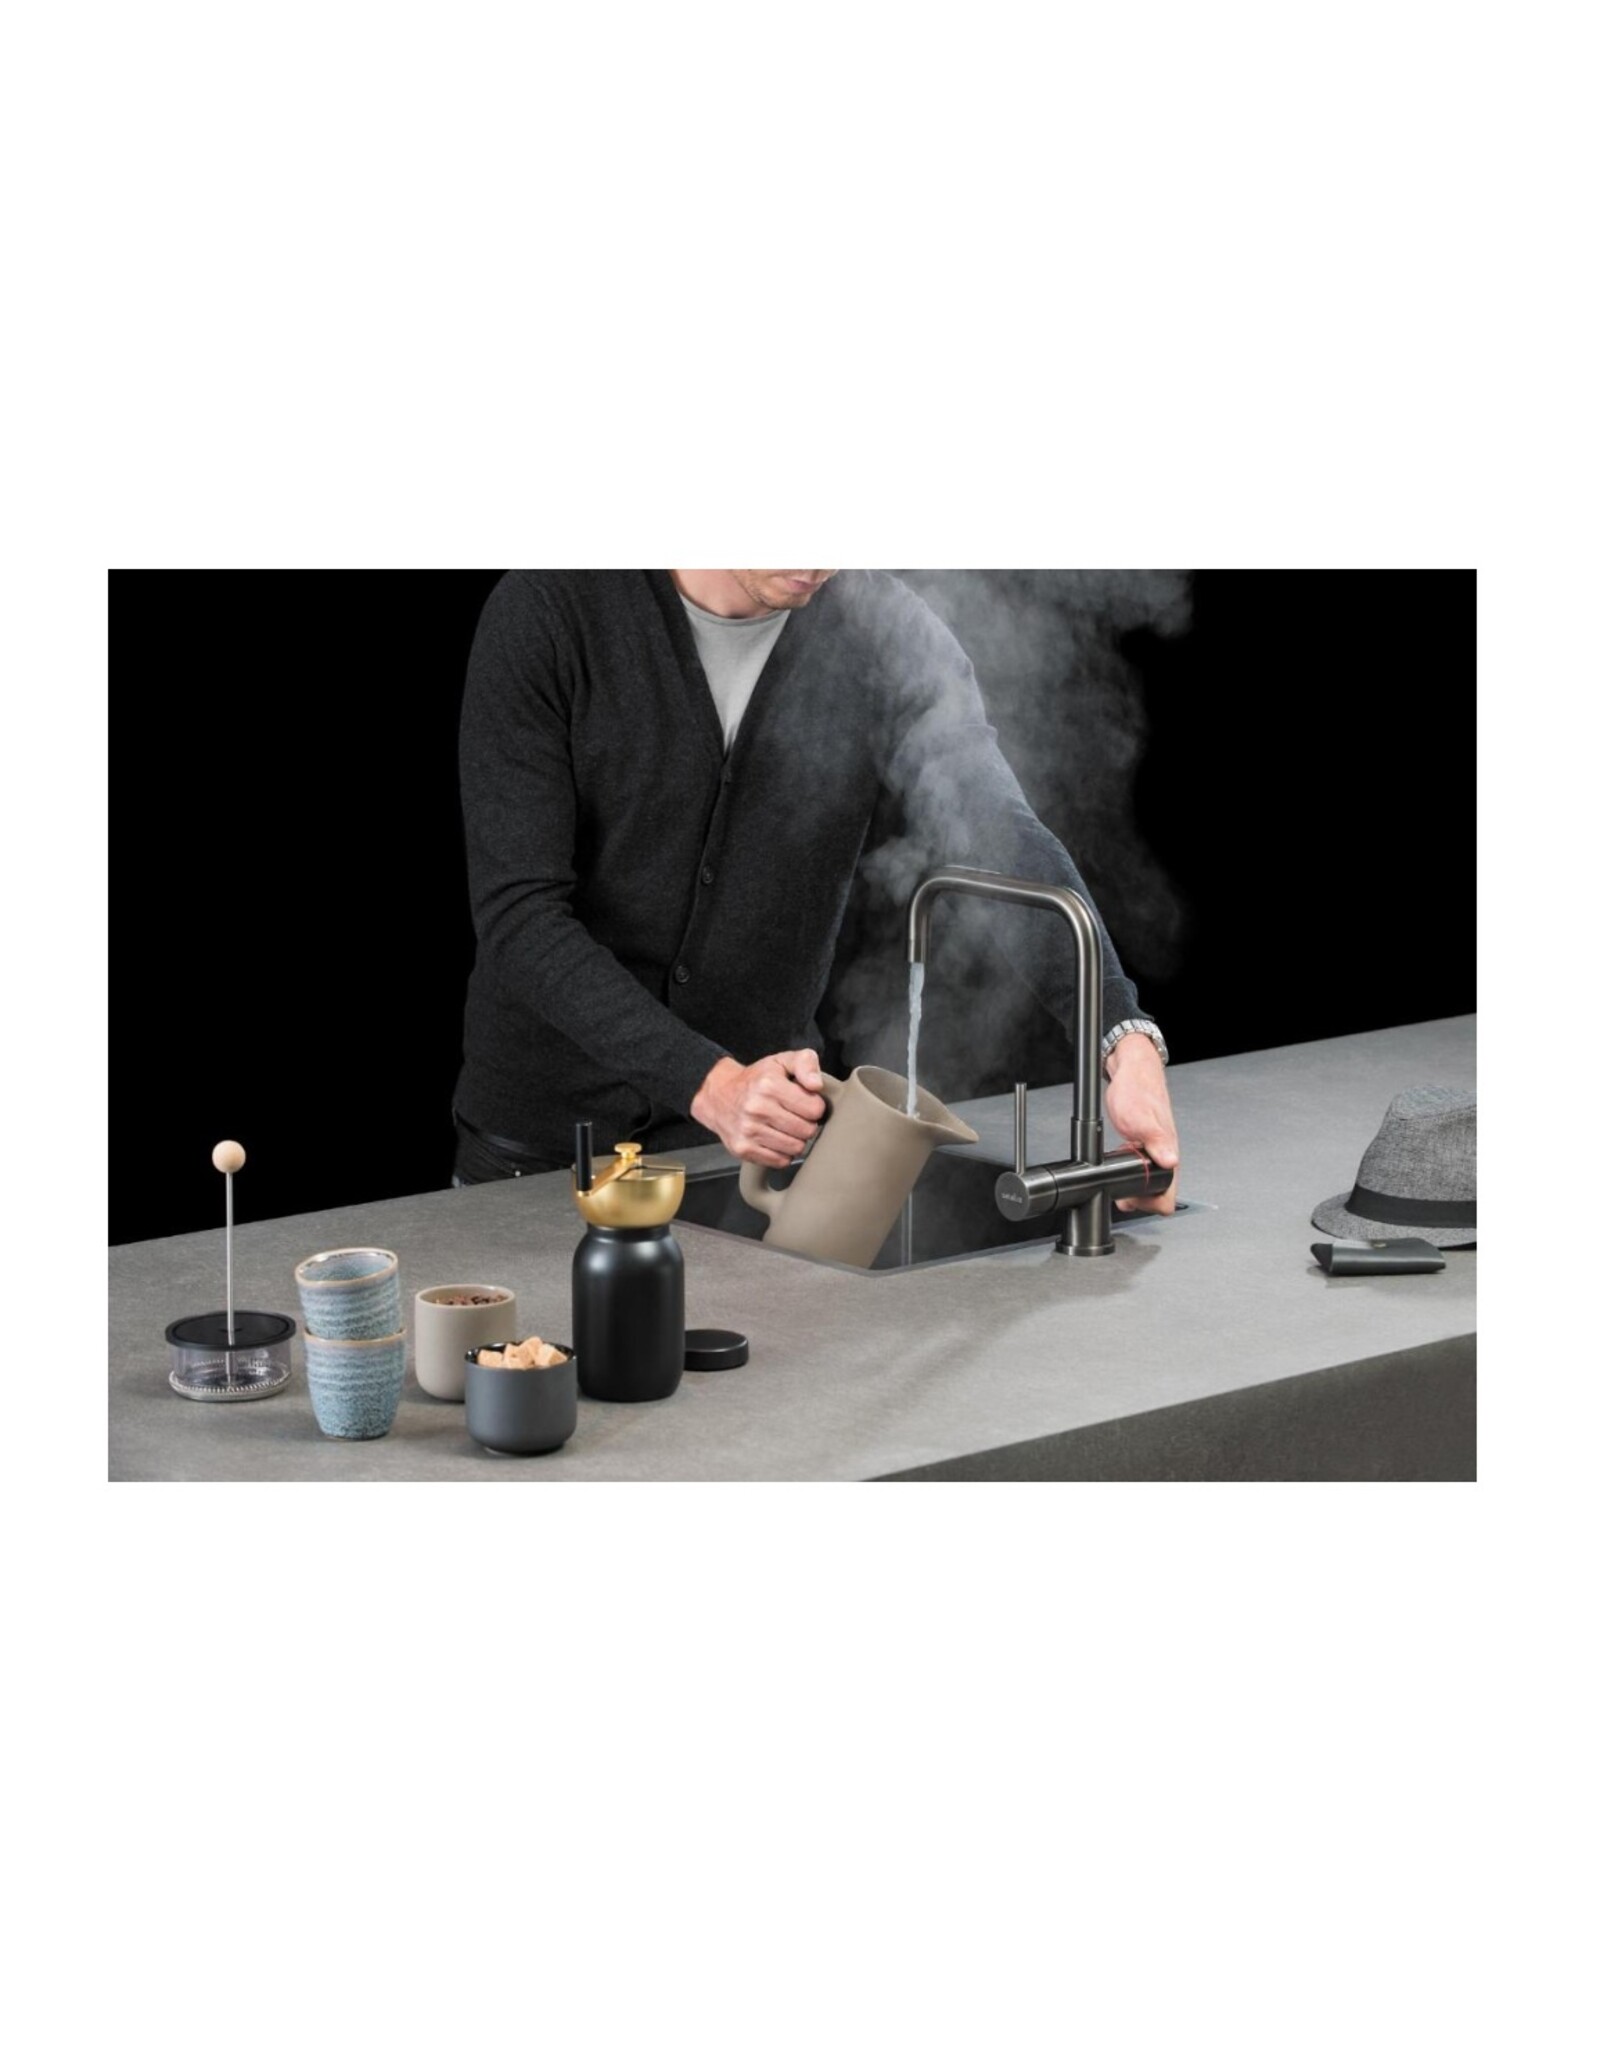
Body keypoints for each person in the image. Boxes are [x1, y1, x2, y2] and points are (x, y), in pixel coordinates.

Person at [452, 570, 1179, 1213]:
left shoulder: (881, 629)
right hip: (540, 1157)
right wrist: (709, 1081)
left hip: (750, 1163)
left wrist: (1124, 1041)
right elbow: (522, 915)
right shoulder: (550, 610)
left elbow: (998, 833)